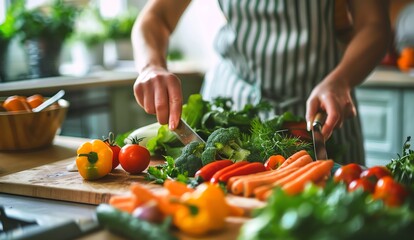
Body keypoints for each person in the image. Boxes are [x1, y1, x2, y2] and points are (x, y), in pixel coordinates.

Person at [131, 0, 390, 165]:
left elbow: (375, 26)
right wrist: (150, 66)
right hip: (229, 110)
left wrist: (341, 79)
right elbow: (156, 17)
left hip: (320, 114)